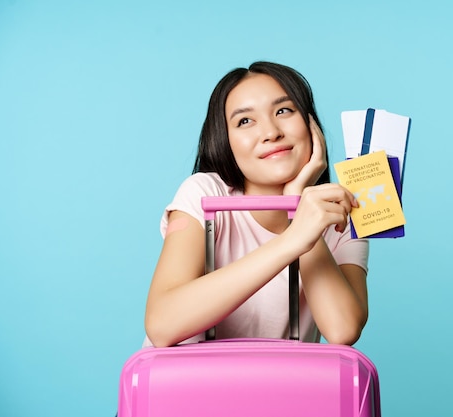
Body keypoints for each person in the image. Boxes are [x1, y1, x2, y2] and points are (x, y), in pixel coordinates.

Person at [143, 61, 369, 348]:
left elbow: (342, 330)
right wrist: (295, 239)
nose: (271, 132)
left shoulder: (341, 214)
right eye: (245, 121)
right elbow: (162, 324)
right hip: (187, 388)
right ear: (225, 141)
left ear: (311, 125)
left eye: (284, 110)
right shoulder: (204, 195)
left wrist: (297, 205)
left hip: (281, 390)